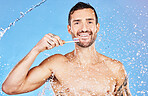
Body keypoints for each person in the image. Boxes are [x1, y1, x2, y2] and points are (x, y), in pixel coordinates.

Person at [2, 2, 131, 96]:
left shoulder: (115, 68)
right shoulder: (57, 64)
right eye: (77, 22)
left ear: (97, 27)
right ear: (69, 29)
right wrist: (36, 50)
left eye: (89, 22)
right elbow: (10, 88)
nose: (84, 28)